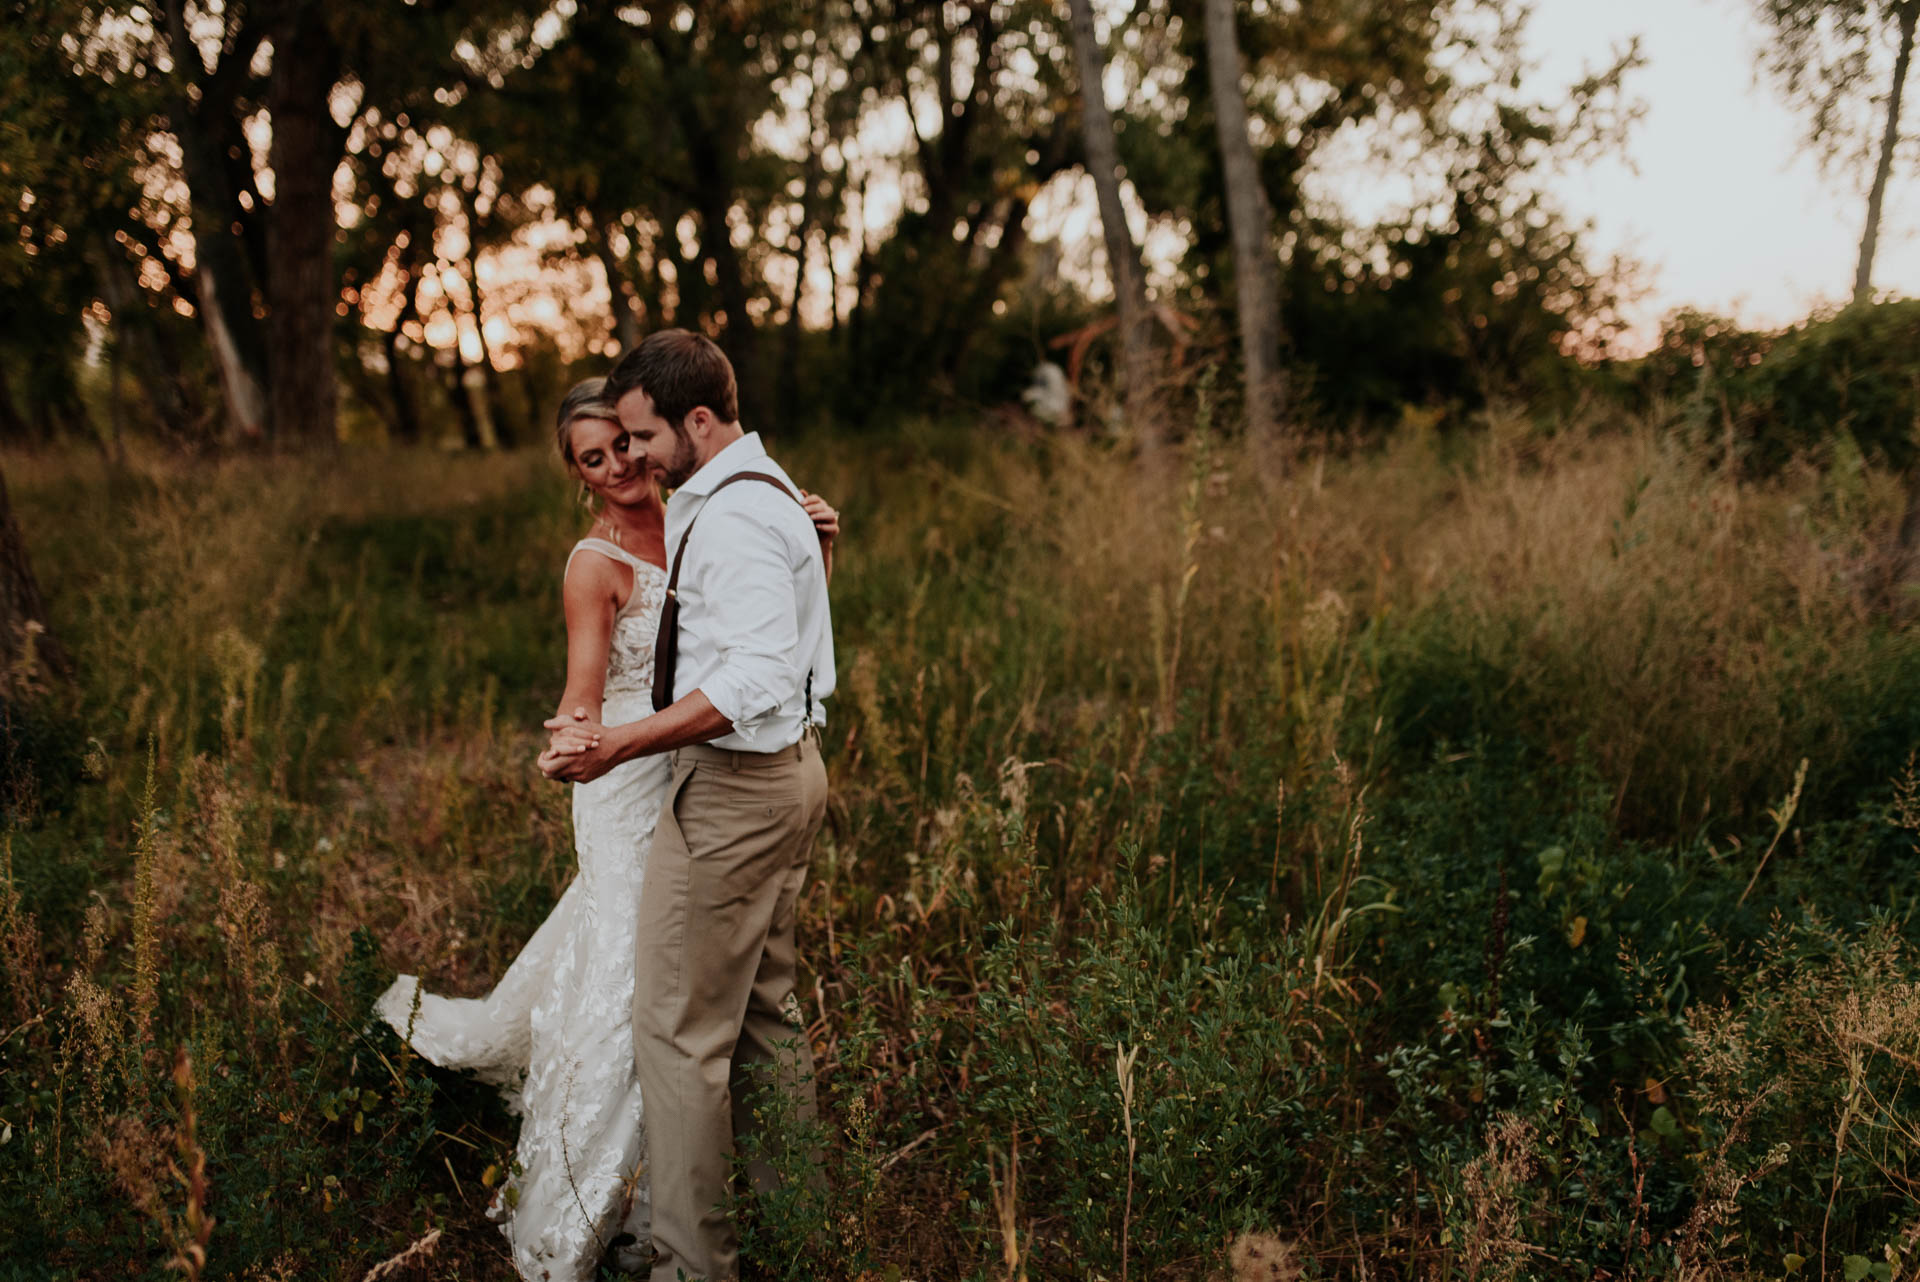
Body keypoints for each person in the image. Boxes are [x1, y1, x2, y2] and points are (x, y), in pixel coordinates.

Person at [379, 376, 838, 1282]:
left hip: (716, 771)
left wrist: (814, 549)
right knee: (642, 989)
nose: (619, 467)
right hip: (631, 783)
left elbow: (769, 645)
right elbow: (583, 694)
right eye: (594, 459)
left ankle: (716, 1213)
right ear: (579, 477)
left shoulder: (717, 508)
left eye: (625, 445)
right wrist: (578, 739)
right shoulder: (595, 564)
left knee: (715, 1003)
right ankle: (606, 1198)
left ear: (654, 435)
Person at [539, 330, 835, 1282]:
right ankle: (799, 1232)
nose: (634, 457)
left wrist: (621, 742)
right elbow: (770, 639)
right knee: (762, 1015)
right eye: (610, 447)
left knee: (675, 1030)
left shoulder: (736, 516)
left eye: (642, 436)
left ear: (695, 421)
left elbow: (750, 672)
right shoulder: (761, 495)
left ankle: (689, 1264)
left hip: (734, 791)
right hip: (785, 770)